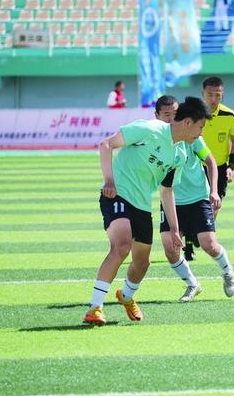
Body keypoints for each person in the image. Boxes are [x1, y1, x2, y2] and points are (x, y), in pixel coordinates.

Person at [83, 96, 211, 326]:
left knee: (142, 263)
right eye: (201, 126)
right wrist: (109, 181)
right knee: (121, 246)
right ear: (188, 122)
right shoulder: (149, 129)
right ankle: (95, 307)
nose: (201, 133)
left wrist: (174, 229)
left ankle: (127, 296)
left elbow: (167, 191)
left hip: (142, 205)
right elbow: (106, 145)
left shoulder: (180, 155)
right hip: (118, 193)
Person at [154, 96, 234, 302]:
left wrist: (214, 191)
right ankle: (192, 284)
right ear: (157, 116)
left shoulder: (192, 137)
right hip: (171, 199)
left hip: (197, 197)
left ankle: (227, 272)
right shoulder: (156, 139)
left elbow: (210, 162)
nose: (172, 118)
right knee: (170, 250)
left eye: (175, 114)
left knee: (209, 244)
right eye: (167, 115)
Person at [197, 76, 234, 258]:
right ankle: (195, 237)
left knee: (215, 204)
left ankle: (205, 233)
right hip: (195, 166)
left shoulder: (229, 116)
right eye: (210, 95)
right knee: (192, 203)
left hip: (220, 167)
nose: (213, 99)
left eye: (218, 95)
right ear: (203, 94)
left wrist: (231, 166)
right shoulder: (194, 115)